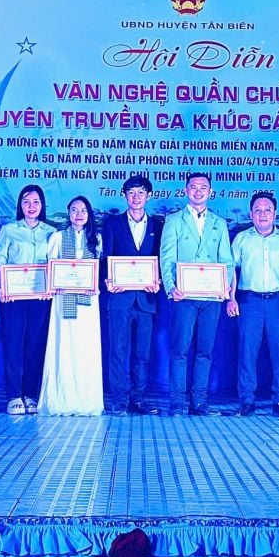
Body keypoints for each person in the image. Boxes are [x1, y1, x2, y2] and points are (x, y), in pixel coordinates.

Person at [158, 172, 235, 416]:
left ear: (210, 192)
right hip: (183, 296)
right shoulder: (174, 220)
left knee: (205, 351)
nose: (198, 191)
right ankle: (177, 402)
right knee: (180, 350)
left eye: (203, 187)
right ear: (186, 190)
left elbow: (227, 260)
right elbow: (167, 257)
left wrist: (225, 286)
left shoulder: (219, 223)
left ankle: (199, 402)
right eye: (193, 187)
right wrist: (171, 287)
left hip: (211, 297)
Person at [227, 191, 279, 416]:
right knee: (247, 351)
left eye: (267, 210)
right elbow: (231, 271)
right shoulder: (242, 238)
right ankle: (246, 399)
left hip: (278, 302)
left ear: (275, 213)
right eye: (258, 210)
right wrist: (231, 298)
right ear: (251, 213)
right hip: (249, 301)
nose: (262, 214)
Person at [101, 174, 163, 414]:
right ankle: (119, 400)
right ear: (124, 195)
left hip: (147, 298)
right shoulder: (112, 223)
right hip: (119, 297)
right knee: (118, 351)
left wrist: (157, 280)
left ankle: (138, 399)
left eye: (141, 192)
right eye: (131, 192)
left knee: (142, 353)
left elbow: (161, 258)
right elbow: (106, 257)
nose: (136, 197)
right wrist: (109, 279)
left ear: (149, 196)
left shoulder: (158, 225)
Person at [0, 184, 57, 414]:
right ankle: (14, 395)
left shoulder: (51, 232)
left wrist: (51, 286)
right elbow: (1, 260)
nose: (31, 206)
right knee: (13, 345)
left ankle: (31, 394)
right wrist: (3, 285)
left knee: (35, 345)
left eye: (35, 202)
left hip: (42, 297)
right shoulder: (9, 229)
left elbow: (55, 263)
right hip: (13, 297)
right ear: (20, 205)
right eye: (26, 201)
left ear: (42, 205)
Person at [40, 196, 104, 415]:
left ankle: (87, 401)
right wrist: (54, 285)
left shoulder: (96, 238)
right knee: (64, 345)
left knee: (86, 346)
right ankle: (62, 400)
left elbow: (99, 269)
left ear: (89, 214)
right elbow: (50, 266)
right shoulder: (57, 237)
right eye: (74, 210)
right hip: (62, 299)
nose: (79, 214)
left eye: (83, 210)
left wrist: (94, 285)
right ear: (68, 213)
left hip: (88, 301)